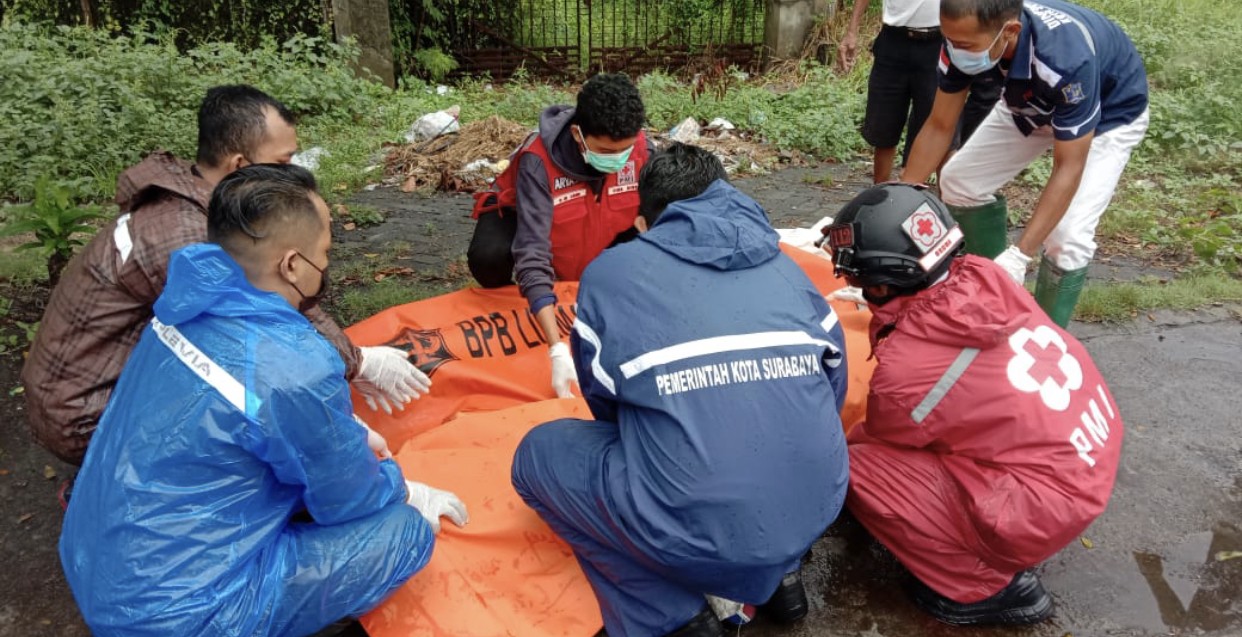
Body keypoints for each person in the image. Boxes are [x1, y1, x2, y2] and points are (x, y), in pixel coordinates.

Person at [59, 164, 468, 637]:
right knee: (404, 534)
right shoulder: (295, 369)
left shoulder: (181, 305)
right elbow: (348, 498)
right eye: (325, 252)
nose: (327, 263)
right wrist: (403, 490)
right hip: (181, 614)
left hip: (94, 560)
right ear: (292, 265)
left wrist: (337, 429)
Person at [511, 143, 850, 637]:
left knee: (540, 455)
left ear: (645, 224)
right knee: (768, 448)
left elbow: (606, 406)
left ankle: (671, 614)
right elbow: (831, 391)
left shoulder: (609, 274)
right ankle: (782, 577)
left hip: (700, 516)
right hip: (819, 501)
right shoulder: (787, 268)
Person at [23, 84, 428, 469]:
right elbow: (261, 328)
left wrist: (352, 361)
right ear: (239, 165)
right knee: (269, 443)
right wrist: (349, 372)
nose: (293, 172)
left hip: (88, 388)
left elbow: (278, 299)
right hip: (87, 412)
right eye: (283, 163)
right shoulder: (189, 239)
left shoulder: (197, 199)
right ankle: (116, 482)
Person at [821, 183, 1124, 625]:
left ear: (883, 283)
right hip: (1086, 451)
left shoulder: (911, 368)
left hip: (1042, 507)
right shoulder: (985, 274)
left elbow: (883, 435)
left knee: (852, 465)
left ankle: (983, 587)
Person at [899, 0, 1149, 326]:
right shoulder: (965, 37)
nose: (954, 50)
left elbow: (1068, 166)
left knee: (1067, 236)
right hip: (1030, 100)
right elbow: (939, 126)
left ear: (1010, 31)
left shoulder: (1066, 60)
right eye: (949, 40)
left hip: (1109, 114)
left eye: (964, 45)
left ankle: (1044, 337)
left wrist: (1020, 255)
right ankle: (990, 299)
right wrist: (894, 211)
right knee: (960, 182)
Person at [467, 73, 653, 398]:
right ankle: (530, 304)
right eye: (607, 152)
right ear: (578, 135)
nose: (618, 161)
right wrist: (557, 348)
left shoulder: (642, 150)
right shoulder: (537, 162)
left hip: (606, 225)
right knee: (488, 256)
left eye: (624, 151)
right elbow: (532, 249)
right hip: (522, 216)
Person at [838, 0, 1002, 184]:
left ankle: (946, 206)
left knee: (944, 130)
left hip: (938, 42)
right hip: (893, 40)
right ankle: (881, 201)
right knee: (884, 129)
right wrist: (851, 31)